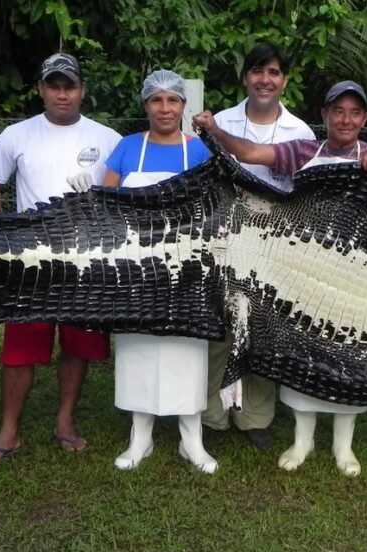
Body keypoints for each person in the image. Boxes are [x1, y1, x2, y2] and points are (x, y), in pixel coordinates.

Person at [193, 81, 367, 475]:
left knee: (348, 355)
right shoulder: (304, 151)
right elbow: (250, 152)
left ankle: (344, 446)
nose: (345, 119)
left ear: (364, 120)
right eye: (337, 111)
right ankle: (301, 440)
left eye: (354, 112)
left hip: (355, 276)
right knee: (299, 350)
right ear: (324, 116)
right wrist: (215, 131)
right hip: (302, 271)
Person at [0, 53, 121, 465]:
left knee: (77, 343)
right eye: (54, 85)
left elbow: (118, 194)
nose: (62, 93)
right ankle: (8, 430)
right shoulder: (16, 135)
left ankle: (65, 421)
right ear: (41, 89)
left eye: (69, 86)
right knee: (20, 345)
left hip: (85, 259)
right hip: (31, 258)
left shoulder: (107, 138)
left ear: (82, 90)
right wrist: (5, 231)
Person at [102, 70, 218, 473]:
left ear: (184, 105)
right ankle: (141, 438)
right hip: (137, 267)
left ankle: (192, 440)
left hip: (187, 268)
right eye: (157, 100)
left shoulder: (200, 151)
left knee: (188, 352)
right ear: (146, 105)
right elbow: (109, 205)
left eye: (173, 100)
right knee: (138, 351)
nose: (165, 108)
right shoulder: (127, 148)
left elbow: (213, 210)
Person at [202, 42, 316, 450]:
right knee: (220, 328)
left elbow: (303, 193)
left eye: (273, 72)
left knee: (263, 330)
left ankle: (255, 417)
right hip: (226, 239)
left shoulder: (299, 131)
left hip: (275, 243)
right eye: (257, 71)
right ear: (245, 77)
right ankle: (213, 416)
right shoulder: (221, 121)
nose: (264, 80)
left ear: (284, 80)